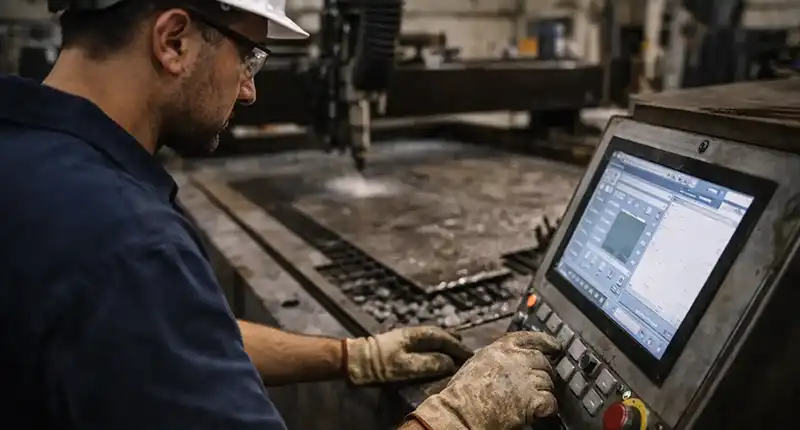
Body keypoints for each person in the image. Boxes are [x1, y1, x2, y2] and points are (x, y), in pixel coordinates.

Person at [0, 0, 560, 429]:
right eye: (248, 56)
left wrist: (351, 357)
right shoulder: (127, 245)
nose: (249, 91)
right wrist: (455, 418)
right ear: (173, 41)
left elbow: (172, 341)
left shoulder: (27, 156)